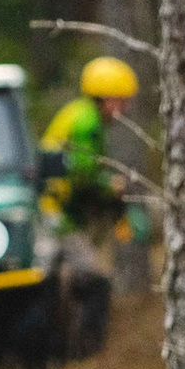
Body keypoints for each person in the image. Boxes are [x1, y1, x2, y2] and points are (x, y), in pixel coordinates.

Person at [41, 56, 149, 257]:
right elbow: (84, 172)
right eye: (122, 101)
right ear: (107, 98)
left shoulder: (80, 112)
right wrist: (111, 187)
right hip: (54, 213)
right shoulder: (87, 122)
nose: (125, 109)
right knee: (89, 277)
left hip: (58, 212)